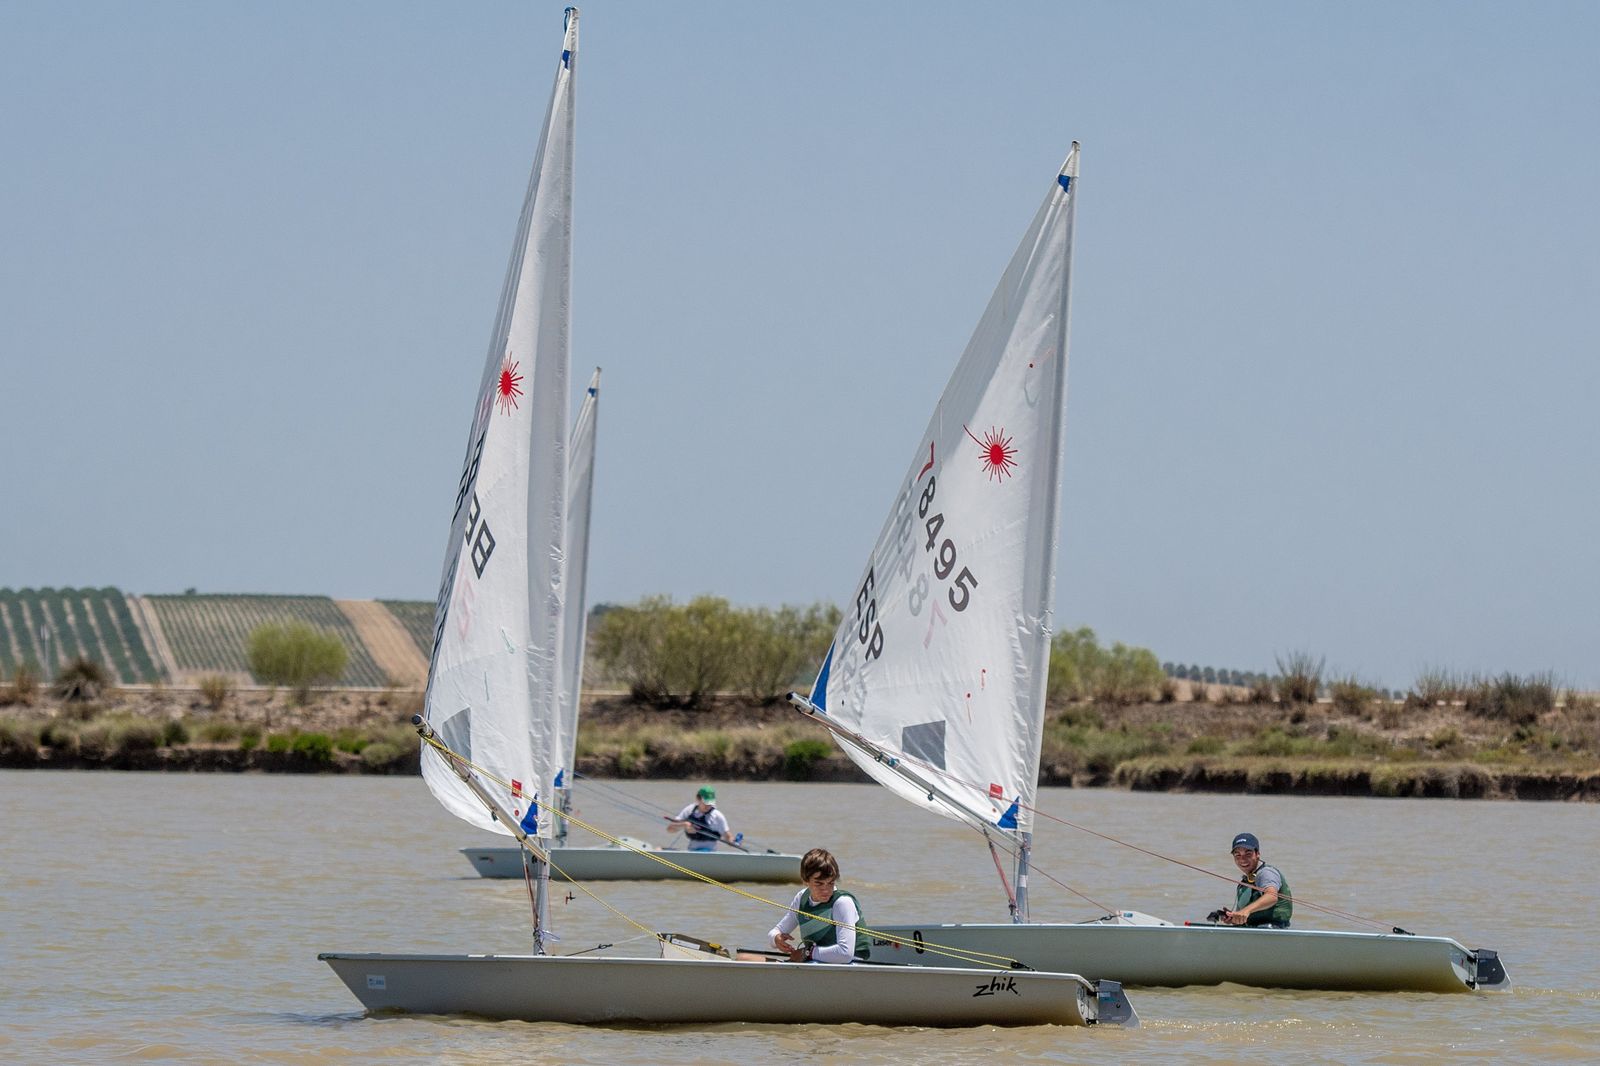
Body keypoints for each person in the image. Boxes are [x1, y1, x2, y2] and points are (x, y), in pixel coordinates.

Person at [768, 848, 869, 963]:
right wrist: (776, 939)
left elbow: (845, 953)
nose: (826, 890)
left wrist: (807, 953)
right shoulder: (801, 898)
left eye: (830, 883)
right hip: (816, 962)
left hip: (851, 965)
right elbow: (776, 931)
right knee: (745, 957)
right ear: (806, 880)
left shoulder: (842, 903)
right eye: (819, 883)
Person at [1219, 831, 1293, 928]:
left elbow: (1271, 896)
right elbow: (1244, 915)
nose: (1242, 859)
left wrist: (1246, 910)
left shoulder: (1266, 872)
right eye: (1238, 855)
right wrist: (1234, 918)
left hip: (1271, 931)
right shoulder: (1244, 883)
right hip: (1253, 932)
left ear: (1257, 854)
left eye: (1248, 854)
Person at [666, 786, 735, 851]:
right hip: (691, 852)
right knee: (658, 849)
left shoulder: (718, 816)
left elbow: (728, 836)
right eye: (706, 802)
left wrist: (732, 841)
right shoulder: (689, 810)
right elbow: (670, 829)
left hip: (710, 853)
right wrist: (683, 825)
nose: (708, 806)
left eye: (710, 803)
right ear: (698, 799)